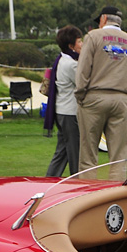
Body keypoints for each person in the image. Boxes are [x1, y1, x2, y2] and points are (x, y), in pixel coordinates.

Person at [75, 6, 127, 178]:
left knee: (88, 156)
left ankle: (89, 198)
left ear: (103, 19)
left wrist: (80, 95)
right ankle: (116, 199)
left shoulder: (93, 36)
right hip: (121, 98)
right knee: (119, 158)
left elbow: (83, 70)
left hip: (94, 97)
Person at [46, 24, 83, 178]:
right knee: (75, 153)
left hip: (62, 111)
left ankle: (49, 180)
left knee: (62, 152)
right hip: (70, 114)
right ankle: (78, 184)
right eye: (79, 41)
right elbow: (84, 84)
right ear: (71, 46)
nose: (82, 44)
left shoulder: (61, 60)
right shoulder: (71, 64)